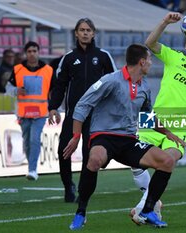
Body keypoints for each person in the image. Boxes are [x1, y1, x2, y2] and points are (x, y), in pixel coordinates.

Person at [64, 44, 186, 230]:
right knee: (94, 159)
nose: (151, 63)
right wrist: (76, 136)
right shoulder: (110, 80)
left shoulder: (144, 86)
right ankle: (81, 213)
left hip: (128, 140)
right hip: (104, 136)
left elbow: (147, 117)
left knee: (167, 161)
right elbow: (82, 105)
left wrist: (168, 133)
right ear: (142, 62)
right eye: (150, 60)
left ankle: (147, 210)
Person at [130, 12, 186, 222]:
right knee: (134, 161)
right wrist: (165, 22)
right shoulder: (173, 57)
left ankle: (147, 207)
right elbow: (149, 43)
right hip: (153, 118)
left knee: (167, 160)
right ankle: (152, 202)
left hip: (179, 126)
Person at [48, 18, 116, 202]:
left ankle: (83, 191)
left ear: (93, 33)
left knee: (89, 154)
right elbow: (59, 85)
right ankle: (68, 185)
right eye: (82, 30)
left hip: (96, 116)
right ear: (76, 33)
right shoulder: (68, 58)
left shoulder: (103, 56)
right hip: (73, 116)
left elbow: (115, 84)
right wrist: (53, 107)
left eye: (88, 30)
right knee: (64, 150)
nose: (85, 33)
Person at [6, 41, 54, 180]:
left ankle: (33, 169)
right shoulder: (17, 69)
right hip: (23, 113)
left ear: (39, 52)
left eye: (34, 51)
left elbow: (55, 91)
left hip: (40, 113)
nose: (32, 54)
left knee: (34, 139)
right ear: (26, 53)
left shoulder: (48, 70)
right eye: (29, 51)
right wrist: (16, 90)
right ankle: (31, 167)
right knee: (27, 141)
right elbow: (8, 89)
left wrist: (54, 108)